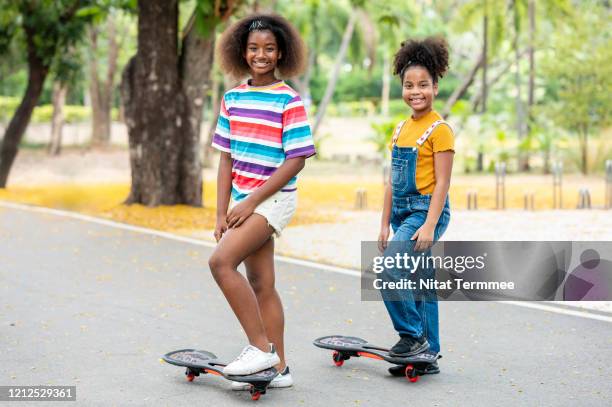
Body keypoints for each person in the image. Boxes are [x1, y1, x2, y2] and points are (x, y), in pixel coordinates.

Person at [208, 13, 315, 389]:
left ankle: (259, 350)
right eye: (254, 48)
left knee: (221, 262)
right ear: (242, 52)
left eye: (269, 48)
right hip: (243, 200)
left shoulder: (289, 100)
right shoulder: (233, 98)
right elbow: (225, 158)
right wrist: (221, 211)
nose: (261, 55)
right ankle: (279, 367)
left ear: (282, 52)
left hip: (273, 199)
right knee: (261, 283)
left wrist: (251, 202)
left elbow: (297, 159)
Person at [377, 36, 454, 376]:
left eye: (423, 84)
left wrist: (429, 224)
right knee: (420, 280)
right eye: (409, 85)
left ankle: (411, 338)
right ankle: (427, 353)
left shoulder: (441, 131)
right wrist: (382, 223)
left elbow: (442, 184)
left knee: (390, 269)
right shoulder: (401, 129)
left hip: (426, 211)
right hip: (401, 212)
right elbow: (391, 182)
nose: (415, 91)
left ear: (436, 87)